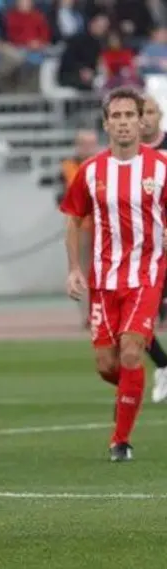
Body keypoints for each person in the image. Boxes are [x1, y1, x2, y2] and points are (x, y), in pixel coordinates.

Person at [60, 87, 167, 462]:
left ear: (141, 121)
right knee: (109, 366)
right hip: (104, 281)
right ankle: (132, 391)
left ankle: (120, 441)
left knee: (132, 351)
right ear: (106, 124)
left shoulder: (161, 168)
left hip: (146, 275)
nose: (123, 123)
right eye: (116, 116)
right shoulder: (91, 171)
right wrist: (74, 268)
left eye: (129, 115)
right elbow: (73, 218)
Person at [131, 94, 167, 403]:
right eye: (140, 113)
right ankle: (164, 365)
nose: (145, 118)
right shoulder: (125, 156)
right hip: (141, 252)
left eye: (151, 112)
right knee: (136, 319)